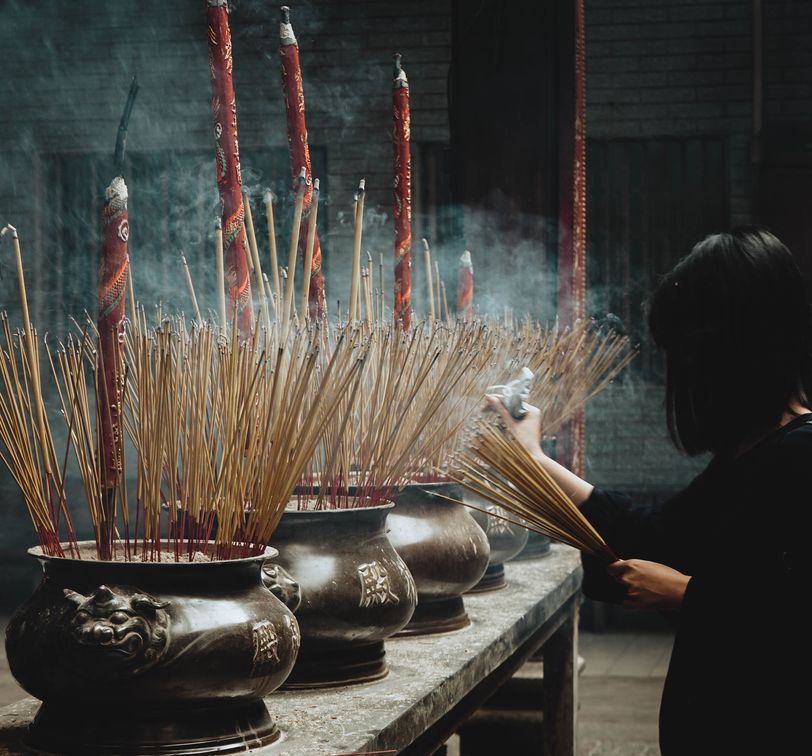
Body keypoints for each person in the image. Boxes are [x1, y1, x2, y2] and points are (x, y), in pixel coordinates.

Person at [488, 227, 809, 754]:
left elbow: (794, 618)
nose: (679, 378)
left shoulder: (800, 456)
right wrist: (535, 461)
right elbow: (660, 539)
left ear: (735, 351)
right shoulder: (749, 454)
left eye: (687, 358)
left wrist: (687, 595)